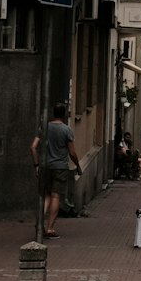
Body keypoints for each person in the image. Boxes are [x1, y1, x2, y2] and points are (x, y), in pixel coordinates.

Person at [31, 102, 82, 239]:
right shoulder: (67, 130)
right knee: (55, 196)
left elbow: (33, 147)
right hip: (60, 167)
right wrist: (77, 165)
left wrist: (36, 165)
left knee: (46, 195)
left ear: (53, 113)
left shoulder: (44, 127)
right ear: (64, 114)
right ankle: (50, 228)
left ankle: (39, 223)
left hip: (45, 166)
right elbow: (72, 152)